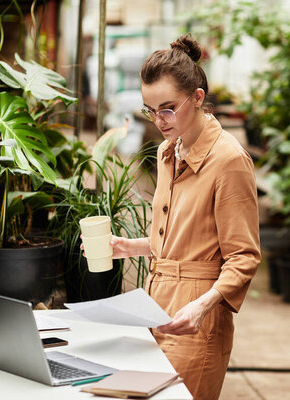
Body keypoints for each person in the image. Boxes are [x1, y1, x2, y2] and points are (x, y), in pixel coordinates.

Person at [97, 34, 260, 399]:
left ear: (198, 98)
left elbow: (243, 257)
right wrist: (128, 247)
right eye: (150, 110)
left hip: (195, 317)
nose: (159, 120)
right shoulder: (167, 152)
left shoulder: (229, 161)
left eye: (168, 108)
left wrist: (202, 307)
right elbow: (179, 239)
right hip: (154, 304)